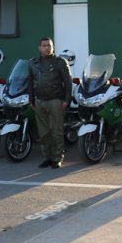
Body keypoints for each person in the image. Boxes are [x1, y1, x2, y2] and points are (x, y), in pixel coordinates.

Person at [28, 37, 72, 169]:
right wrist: (31, 99)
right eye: (44, 45)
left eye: (49, 45)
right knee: (44, 133)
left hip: (55, 101)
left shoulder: (60, 62)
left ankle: (57, 158)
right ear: (39, 47)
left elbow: (68, 83)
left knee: (56, 132)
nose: (47, 48)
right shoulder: (32, 63)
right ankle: (47, 157)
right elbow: (29, 82)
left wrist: (66, 101)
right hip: (39, 101)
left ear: (53, 47)